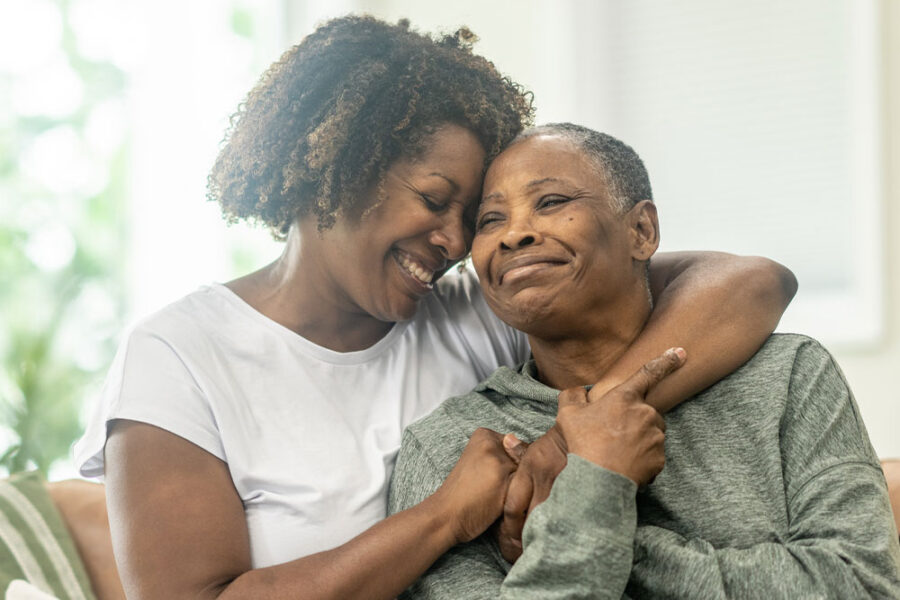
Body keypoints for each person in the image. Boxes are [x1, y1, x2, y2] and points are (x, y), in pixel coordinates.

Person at [74, 17, 797, 600]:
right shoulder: (180, 357)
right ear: (334, 173)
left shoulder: (469, 315)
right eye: (432, 201)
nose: (454, 243)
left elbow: (750, 282)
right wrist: (444, 515)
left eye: (471, 216)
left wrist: (575, 438)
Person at [388, 123, 900, 599]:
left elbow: (863, 583)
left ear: (642, 231)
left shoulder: (789, 374)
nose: (513, 233)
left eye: (551, 201)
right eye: (490, 219)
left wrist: (596, 513)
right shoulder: (450, 449)